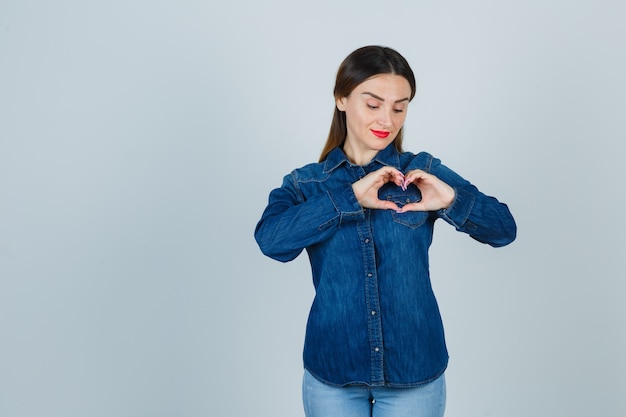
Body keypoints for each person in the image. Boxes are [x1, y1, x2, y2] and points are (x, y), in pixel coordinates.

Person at [254, 45, 516, 417]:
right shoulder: (306, 184)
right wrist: (348, 198)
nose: (387, 119)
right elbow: (271, 241)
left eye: (399, 106)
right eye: (372, 104)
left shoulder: (422, 171)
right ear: (342, 99)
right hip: (333, 373)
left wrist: (452, 199)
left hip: (415, 371)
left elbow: (504, 230)